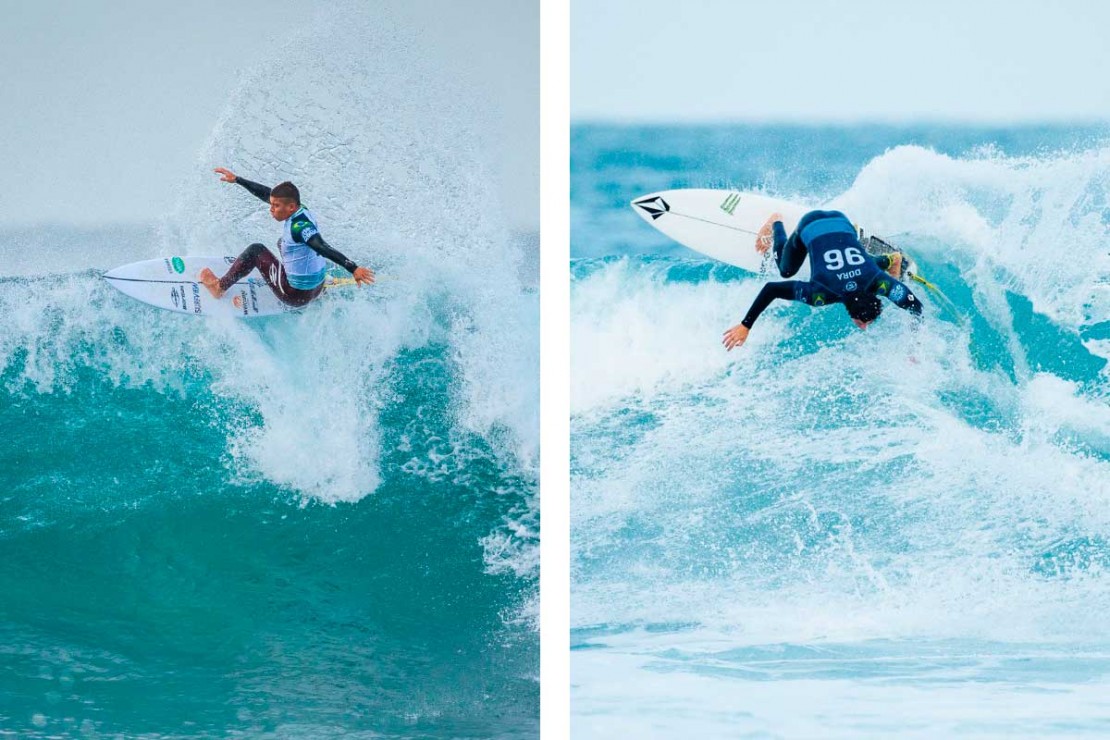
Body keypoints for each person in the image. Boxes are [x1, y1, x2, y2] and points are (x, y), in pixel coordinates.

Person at [722, 210, 922, 351]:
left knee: (865, 265)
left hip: (842, 220)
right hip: (809, 223)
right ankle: (776, 222)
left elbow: (916, 307)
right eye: (864, 322)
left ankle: (892, 259)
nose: (864, 326)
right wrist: (745, 325)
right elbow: (771, 289)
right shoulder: (820, 293)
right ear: (853, 316)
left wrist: (914, 347)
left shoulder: (879, 281)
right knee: (785, 271)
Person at [198, 167, 375, 306]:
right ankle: (319, 288)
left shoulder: (300, 227)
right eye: (272, 204)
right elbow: (267, 194)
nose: (271, 209)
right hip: (317, 286)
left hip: (295, 295)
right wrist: (237, 180)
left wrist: (353, 268)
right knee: (283, 243)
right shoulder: (300, 209)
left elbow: (322, 247)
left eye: (275, 206)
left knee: (256, 250)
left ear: (290, 207)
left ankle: (219, 287)